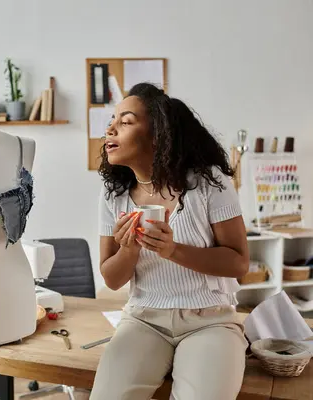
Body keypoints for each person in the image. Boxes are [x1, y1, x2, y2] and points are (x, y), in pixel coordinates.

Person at [91, 83, 249, 400]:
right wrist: (129, 250)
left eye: (125, 121)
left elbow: (239, 263)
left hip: (210, 321)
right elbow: (111, 278)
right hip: (143, 320)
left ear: (156, 134)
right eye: (112, 120)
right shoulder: (114, 195)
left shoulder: (208, 183)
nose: (110, 128)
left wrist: (172, 250)